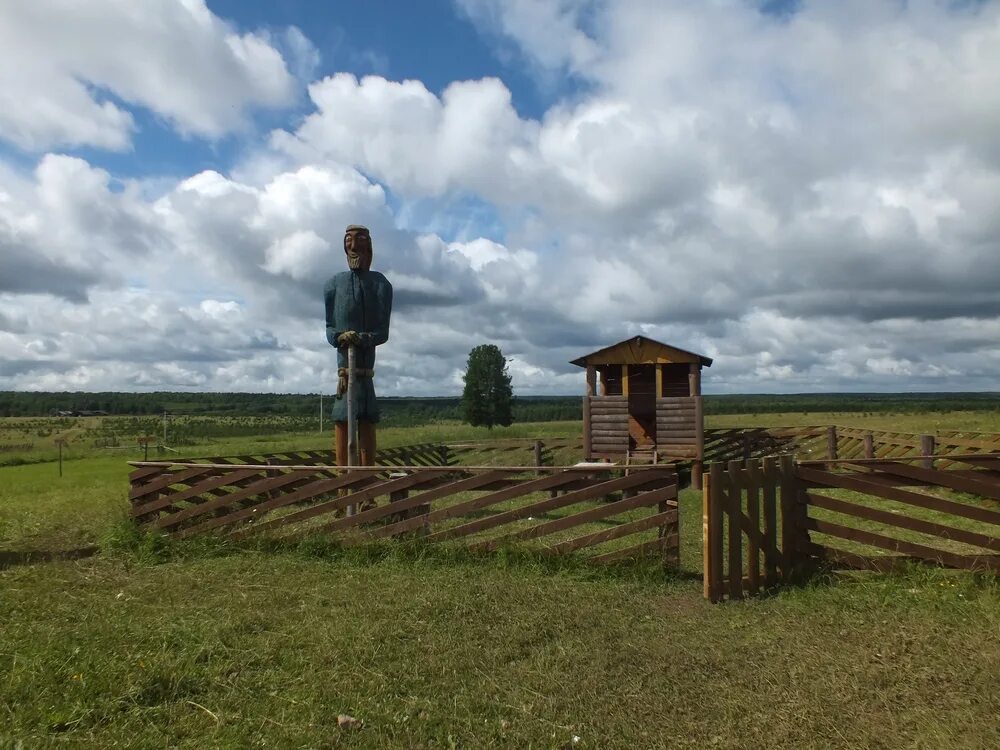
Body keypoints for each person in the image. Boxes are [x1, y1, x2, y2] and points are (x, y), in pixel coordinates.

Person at [324, 224, 393, 466]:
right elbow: (329, 328)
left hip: (364, 374)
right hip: (345, 375)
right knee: (342, 420)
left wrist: (362, 338)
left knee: (367, 420)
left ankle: (366, 484)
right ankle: (343, 485)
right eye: (348, 241)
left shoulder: (380, 284)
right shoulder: (333, 284)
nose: (353, 246)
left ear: (369, 247)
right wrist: (340, 337)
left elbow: (382, 332)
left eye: (360, 241)